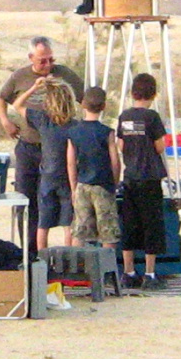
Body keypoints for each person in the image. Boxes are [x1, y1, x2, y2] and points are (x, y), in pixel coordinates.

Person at [0, 36, 85, 253]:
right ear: (31, 58)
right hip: (29, 146)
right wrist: (5, 121)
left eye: (51, 59)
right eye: (42, 61)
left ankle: (66, 256)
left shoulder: (65, 75)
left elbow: (85, 99)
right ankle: (29, 251)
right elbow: (3, 98)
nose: (47, 65)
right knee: (26, 200)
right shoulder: (20, 76)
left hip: (58, 152)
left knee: (63, 205)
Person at [11, 75, 77, 250]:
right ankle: (68, 258)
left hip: (47, 177)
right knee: (68, 223)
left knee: (43, 223)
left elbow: (17, 105)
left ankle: (42, 259)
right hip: (67, 179)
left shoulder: (43, 120)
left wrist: (33, 88)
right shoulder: (74, 126)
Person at [117, 73, 168, 291]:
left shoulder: (124, 116)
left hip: (130, 177)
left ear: (133, 92)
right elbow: (160, 146)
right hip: (150, 177)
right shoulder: (152, 117)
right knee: (151, 225)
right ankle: (150, 273)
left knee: (129, 224)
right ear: (153, 94)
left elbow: (120, 145)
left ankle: (128, 272)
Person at [66, 87, 120, 249]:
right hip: (103, 185)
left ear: (83, 104)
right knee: (108, 232)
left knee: (80, 231)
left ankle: (78, 270)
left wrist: (73, 187)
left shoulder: (74, 132)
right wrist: (114, 183)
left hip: (82, 185)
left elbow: (70, 163)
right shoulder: (106, 132)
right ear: (103, 106)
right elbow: (115, 161)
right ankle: (107, 270)